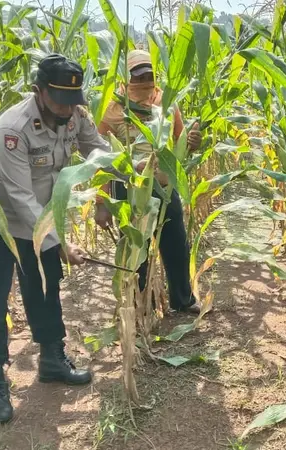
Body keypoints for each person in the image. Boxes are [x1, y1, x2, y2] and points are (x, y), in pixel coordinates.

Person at [0, 54, 112, 425]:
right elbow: (19, 197)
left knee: (45, 290)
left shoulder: (74, 113)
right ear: (38, 91)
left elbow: (98, 152)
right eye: (59, 99)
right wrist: (60, 243)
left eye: (73, 99)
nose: (67, 108)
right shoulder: (12, 128)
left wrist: (134, 167)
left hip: (40, 220)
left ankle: (51, 358)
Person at [98, 49, 202, 314]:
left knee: (176, 244)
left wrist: (192, 143)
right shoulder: (112, 109)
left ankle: (183, 299)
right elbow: (100, 158)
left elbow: (181, 144)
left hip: (163, 185)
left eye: (149, 73)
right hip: (129, 187)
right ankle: (141, 303)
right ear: (127, 76)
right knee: (136, 247)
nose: (145, 78)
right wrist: (101, 201)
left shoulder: (166, 102)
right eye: (139, 74)